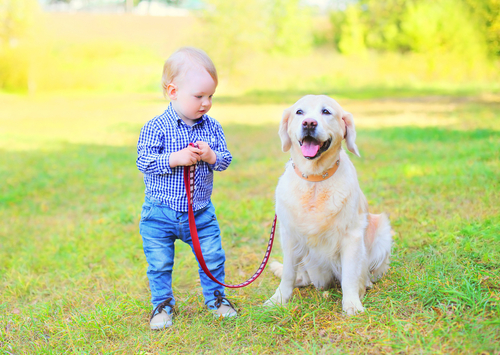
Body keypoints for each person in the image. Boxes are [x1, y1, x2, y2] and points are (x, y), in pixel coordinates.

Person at [136, 47, 236, 330]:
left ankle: (217, 300)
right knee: (159, 263)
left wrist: (211, 155)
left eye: (210, 96)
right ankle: (162, 305)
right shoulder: (155, 127)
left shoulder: (212, 127)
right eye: (199, 96)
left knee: (213, 256)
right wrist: (173, 159)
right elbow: (143, 161)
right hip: (159, 212)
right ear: (173, 91)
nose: (206, 103)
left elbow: (225, 160)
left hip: (200, 212)